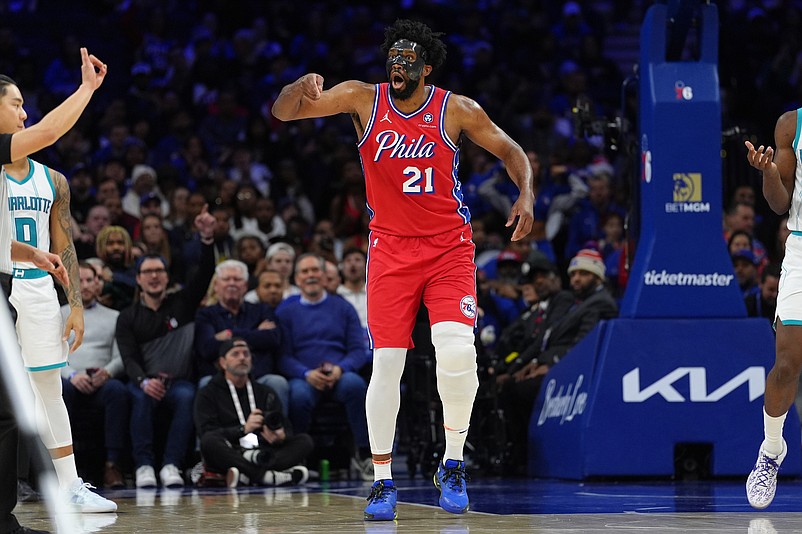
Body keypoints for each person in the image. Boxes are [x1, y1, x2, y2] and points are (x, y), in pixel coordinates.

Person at [272, 19, 533, 520]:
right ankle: (382, 480)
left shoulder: (456, 108)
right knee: (387, 365)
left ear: (426, 68)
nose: (397, 64)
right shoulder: (361, 97)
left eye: (408, 59)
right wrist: (296, 88)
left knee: (457, 351)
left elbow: (510, 150)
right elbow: (284, 114)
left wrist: (527, 192)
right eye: (392, 57)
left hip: (448, 248)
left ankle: (453, 463)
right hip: (390, 250)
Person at [0, 46, 108, 534]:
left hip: (38, 288)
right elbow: (47, 130)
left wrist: (77, 306)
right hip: (5, 283)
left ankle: (69, 484)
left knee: (47, 389)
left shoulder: (53, 180)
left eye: (25, 105)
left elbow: (63, 246)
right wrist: (86, 89)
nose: (24, 113)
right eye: (16, 103)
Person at [116, 206, 216, 489]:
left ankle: (171, 465)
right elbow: (128, 356)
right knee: (140, 397)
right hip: (143, 381)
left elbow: (206, 271)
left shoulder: (182, 303)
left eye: (159, 270)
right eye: (147, 272)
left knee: (187, 397)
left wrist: (207, 239)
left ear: (167, 276)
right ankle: (144, 465)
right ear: (138, 278)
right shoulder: (128, 317)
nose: (154, 276)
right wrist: (143, 381)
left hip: (179, 382)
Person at [275, 254, 372, 480]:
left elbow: (358, 350)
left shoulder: (343, 307)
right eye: (305, 272)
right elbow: (283, 356)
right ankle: (296, 457)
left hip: (339, 373)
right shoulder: (286, 311)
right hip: (304, 376)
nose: (310, 276)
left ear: (324, 275)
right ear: (296, 279)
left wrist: (341, 368)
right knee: (297, 395)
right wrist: (306, 373)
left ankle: (364, 454)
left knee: (356, 386)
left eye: (314, 271)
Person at [745, 124, 802, 508]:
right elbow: (780, 203)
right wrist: (768, 173)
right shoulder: (792, 124)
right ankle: (770, 451)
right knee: (787, 363)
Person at [194, 338, 312, 488]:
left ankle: (247, 475)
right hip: (231, 449)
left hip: (263, 450)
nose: (242, 357)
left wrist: (280, 436)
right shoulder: (208, 393)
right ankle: (266, 476)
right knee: (209, 442)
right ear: (223, 363)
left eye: (246, 354)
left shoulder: (265, 392)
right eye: (235, 354)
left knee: (304, 441)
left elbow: (285, 426)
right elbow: (207, 432)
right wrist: (243, 429)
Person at [60, 262, 129, 489]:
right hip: (69, 381)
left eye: (90, 280)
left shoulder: (115, 316)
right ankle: (65, 469)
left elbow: (121, 357)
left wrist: (108, 372)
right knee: (59, 389)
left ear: (98, 284)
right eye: (80, 280)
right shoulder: (57, 314)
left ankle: (112, 465)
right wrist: (71, 375)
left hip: (101, 382)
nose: (85, 285)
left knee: (118, 390)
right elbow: (50, 356)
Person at [194, 259, 289, 413]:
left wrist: (230, 335)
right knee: (206, 383)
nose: (232, 283)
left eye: (237, 279)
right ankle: (209, 438)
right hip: (221, 379)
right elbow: (207, 348)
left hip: (258, 377)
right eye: (226, 279)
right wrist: (256, 333)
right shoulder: (205, 315)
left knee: (278, 383)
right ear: (216, 286)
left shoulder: (261, 310)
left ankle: (277, 434)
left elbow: (272, 338)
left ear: (245, 286)